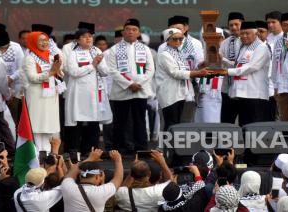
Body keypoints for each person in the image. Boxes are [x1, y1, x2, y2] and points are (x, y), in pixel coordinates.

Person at [105, 18, 155, 152]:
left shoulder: (145, 49)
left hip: (140, 90)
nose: (130, 32)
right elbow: (112, 70)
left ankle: (141, 149)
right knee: (120, 122)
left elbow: (150, 69)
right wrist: (129, 84)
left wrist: (138, 83)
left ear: (138, 33)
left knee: (140, 121)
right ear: (123, 32)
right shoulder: (114, 49)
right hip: (121, 92)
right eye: (127, 29)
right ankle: (118, 150)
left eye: (134, 30)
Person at [64, 28, 112, 154]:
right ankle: (74, 151)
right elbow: (73, 72)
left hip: (94, 93)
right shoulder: (73, 54)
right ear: (78, 40)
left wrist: (99, 63)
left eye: (90, 36)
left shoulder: (97, 51)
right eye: (84, 36)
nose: (88, 38)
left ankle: (91, 151)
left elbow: (106, 72)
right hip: (78, 93)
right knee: (77, 121)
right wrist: (92, 65)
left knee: (93, 122)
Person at [156, 28, 209, 130]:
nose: (178, 41)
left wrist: (199, 68)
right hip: (169, 94)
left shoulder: (179, 53)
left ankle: (175, 145)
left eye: (180, 39)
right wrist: (197, 73)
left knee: (177, 123)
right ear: (167, 40)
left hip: (180, 93)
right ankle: (168, 146)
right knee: (171, 122)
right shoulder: (164, 54)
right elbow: (175, 73)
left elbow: (184, 70)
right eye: (175, 39)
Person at [220, 21, 271, 126]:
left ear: (256, 34)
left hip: (256, 96)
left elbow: (251, 67)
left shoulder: (261, 47)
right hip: (243, 96)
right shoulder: (244, 48)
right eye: (242, 33)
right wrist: (223, 60)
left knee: (255, 129)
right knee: (244, 127)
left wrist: (228, 72)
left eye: (247, 33)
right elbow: (238, 66)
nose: (243, 36)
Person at [21, 31, 62, 152]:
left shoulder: (50, 56)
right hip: (37, 96)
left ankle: (49, 153)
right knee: (37, 126)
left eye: (46, 40)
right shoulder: (29, 58)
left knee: (49, 125)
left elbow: (58, 72)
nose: (44, 43)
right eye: (41, 40)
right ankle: (38, 154)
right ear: (33, 42)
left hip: (50, 96)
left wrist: (58, 69)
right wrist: (51, 72)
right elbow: (33, 78)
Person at [219, 12, 245, 124]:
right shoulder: (225, 42)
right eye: (231, 25)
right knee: (226, 122)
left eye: (236, 24)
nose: (233, 27)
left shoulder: (249, 41)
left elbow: (241, 65)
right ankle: (226, 142)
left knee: (245, 122)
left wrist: (223, 60)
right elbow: (219, 64)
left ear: (242, 24)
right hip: (227, 88)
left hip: (244, 89)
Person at [256, 20, 277, 121]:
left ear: (268, 33)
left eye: (262, 31)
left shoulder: (273, 47)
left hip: (269, 90)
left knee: (268, 121)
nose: (259, 34)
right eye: (257, 31)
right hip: (253, 91)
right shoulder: (247, 47)